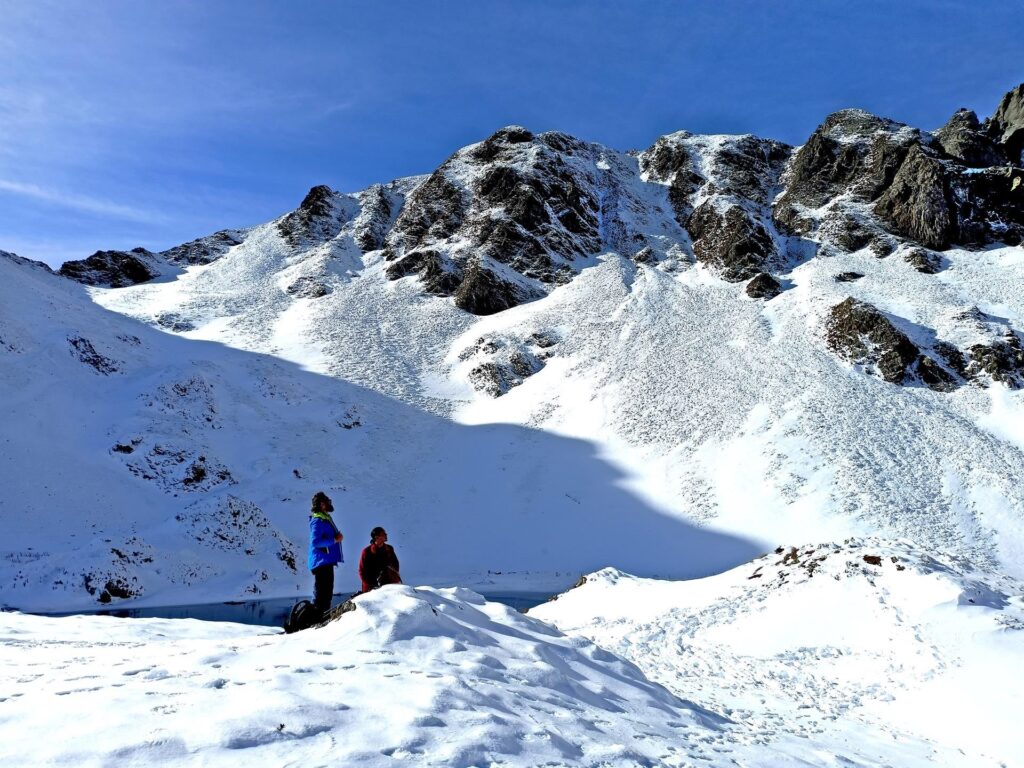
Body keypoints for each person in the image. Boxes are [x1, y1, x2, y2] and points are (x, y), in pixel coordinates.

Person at [308, 491, 343, 615]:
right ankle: (315, 619)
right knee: (322, 593)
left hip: (325, 561)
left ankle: (322, 618)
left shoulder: (324, 518)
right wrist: (334, 539)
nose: (329, 503)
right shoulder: (318, 520)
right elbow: (315, 542)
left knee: (326, 592)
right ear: (322, 504)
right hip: (321, 561)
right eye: (326, 501)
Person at [358, 526, 401, 593]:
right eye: (383, 534)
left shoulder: (389, 549)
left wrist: (393, 577)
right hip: (371, 587)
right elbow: (362, 571)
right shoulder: (366, 552)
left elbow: (396, 564)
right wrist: (371, 585)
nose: (386, 535)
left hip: (389, 585)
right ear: (376, 537)